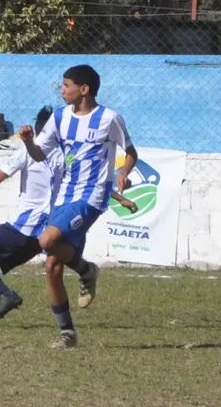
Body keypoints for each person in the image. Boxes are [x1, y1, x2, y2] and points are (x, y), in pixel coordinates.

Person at [0, 107, 139, 328]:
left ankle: (6, 295)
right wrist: (119, 198)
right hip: (52, 226)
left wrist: (18, 155)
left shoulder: (31, 149)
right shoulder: (67, 155)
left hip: (24, 225)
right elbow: (86, 184)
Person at [19, 65, 138, 349]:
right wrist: (27, 142)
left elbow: (131, 153)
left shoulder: (109, 118)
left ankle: (85, 270)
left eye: (66, 85)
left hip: (92, 196)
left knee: (46, 240)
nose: (62, 90)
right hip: (62, 197)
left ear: (83, 89)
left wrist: (122, 173)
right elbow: (39, 155)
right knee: (51, 265)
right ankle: (68, 333)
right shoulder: (59, 118)